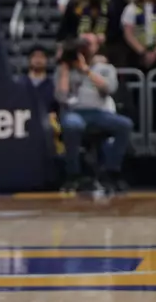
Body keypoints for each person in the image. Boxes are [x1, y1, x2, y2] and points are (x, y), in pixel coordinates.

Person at [54, 37, 133, 194]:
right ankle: (73, 174)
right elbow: (61, 97)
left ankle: (112, 171)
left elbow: (109, 88)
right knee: (72, 125)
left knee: (125, 124)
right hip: (74, 112)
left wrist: (87, 70)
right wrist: (64, 69)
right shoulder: (64, 70)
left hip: (98, 112)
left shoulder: (105, 68)